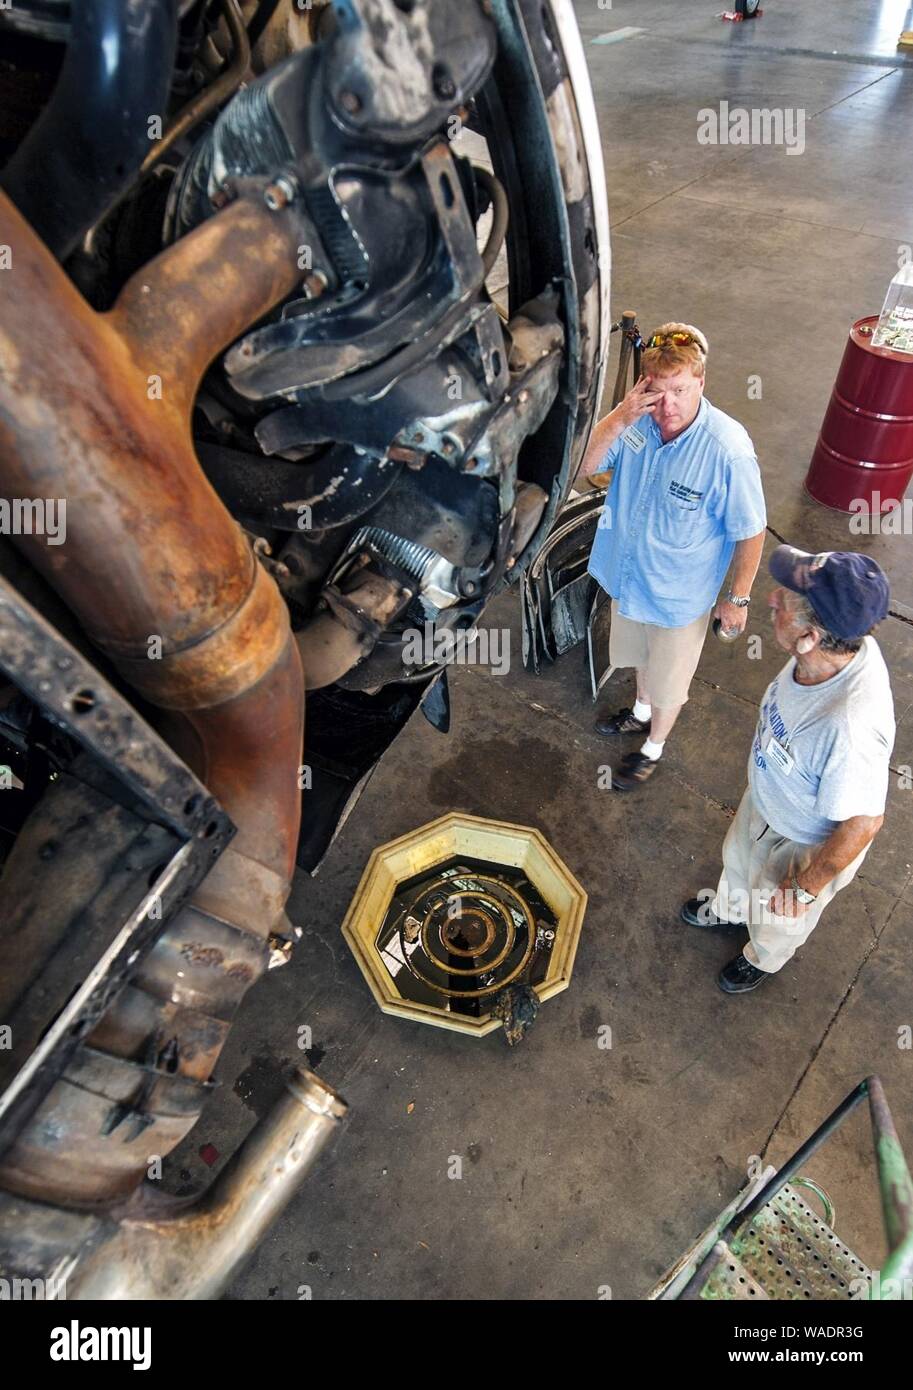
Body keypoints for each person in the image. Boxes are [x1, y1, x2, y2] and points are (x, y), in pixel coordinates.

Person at [680, 547, 895, 994]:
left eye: (787, 599)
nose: (772, 599)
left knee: (778, 914)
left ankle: (762, 956)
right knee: (737, 862)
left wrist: (805, 887)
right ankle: (730, 909)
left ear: (809, 638)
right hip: (768, 797)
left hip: (804, 841)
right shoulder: (829, 646)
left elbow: (864, 823)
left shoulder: (851, 725)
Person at [579, 323, 767, 790]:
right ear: (644, 387)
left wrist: (737, 600)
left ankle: (653, 747)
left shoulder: (727, 451)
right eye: (658, 392)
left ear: (701, 382)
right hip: (629, 580)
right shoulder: (637, 423)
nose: (668, 406)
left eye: (680, 390)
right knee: (641, 656)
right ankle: (640, 712)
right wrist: (619, 417)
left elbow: (751, 531)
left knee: (670, 681)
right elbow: (585, 468)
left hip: (678, 596)